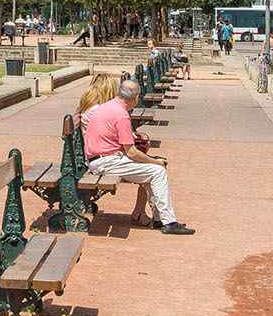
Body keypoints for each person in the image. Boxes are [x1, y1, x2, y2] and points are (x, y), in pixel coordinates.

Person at [78, 75, 193, 235]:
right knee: (158, 171)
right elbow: (131, 152)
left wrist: (151, 161)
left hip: (101, 159)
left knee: (151, 172)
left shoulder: (108, 106)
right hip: (106, 162)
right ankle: (169, 222)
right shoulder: (121, 114)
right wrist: (155, 161)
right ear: (136, 98)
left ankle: (160, 219)